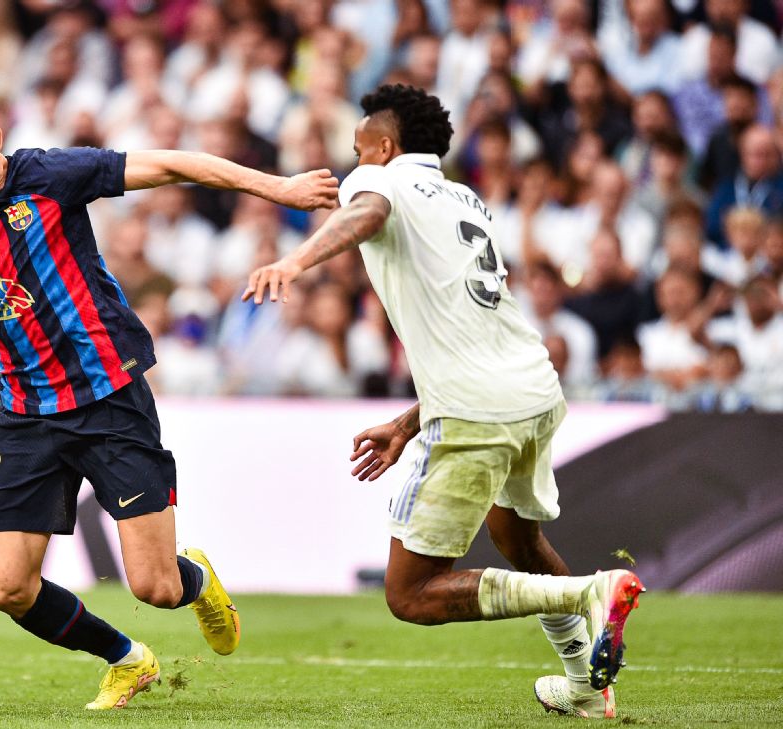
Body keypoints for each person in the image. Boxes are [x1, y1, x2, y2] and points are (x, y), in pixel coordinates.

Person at [0, 84, 339, 710]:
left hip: (109, 397)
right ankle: (126, 659)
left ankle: (197, 582)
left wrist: (282, 189)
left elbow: (173, 164)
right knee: (7, 589)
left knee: (156, 587)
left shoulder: (53, 175)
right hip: (26, 416)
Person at [243, 84, 643, 719]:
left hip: (476, 407)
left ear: (384, 145)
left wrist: (296, 259)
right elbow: (470, 330)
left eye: (357, 151)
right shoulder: (466, 199)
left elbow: (365, 213)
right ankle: (585, 683)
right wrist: (409, 421)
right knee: (516, 537)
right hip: (533, 389)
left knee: (410, 595)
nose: (353, 165)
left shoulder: (382, 182)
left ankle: (589, 593)